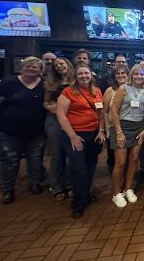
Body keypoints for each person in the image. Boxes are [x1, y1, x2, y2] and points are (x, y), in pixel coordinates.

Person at [57, 64, 106, 219]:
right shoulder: (68, 92)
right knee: (78, 169)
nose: (84, 76)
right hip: (75, 135)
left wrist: (101, 131)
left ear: (91, 75)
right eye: (80, 74)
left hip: (93, 133)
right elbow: (61, 115)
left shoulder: (96, 91)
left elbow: (101, 113)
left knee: (91, 165)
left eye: (86, 73)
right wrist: (72, 135)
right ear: (75, 76)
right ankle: (78, 204)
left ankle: (84, 194)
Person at [0, 57, 46, 204]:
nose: (31, 69)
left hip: (36, 130)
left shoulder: (44, 85)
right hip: (9, 130)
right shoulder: (7, 83)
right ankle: (8, 189)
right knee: (9, 161)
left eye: (35, 67)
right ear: (22, 67)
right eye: (28, 66)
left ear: (40, 70)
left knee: (35, 158)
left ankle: (35, 183)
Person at [110, 64, 144, 208]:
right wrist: (119, 131)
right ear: (132, 75)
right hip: (122, 126)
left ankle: (127, 189)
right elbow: (114, 110)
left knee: (133, 160)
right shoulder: (123, 89)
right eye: (136, 74)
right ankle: (116, 193)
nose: (139, 77)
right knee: (120, 162)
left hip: (138, 127)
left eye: (142, 74)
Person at [44, 57, 75, 200]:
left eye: (61, 64)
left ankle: (70, 184)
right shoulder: (52, 83)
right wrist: (52, 108)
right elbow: (46, 102)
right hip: (55, 121)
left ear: (67, 64)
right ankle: (57, 186)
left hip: (74, 119)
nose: (59, 67)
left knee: (72, 153)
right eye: (56, 65)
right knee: (57, 154)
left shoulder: (76, 81)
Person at [103, 65, 129, 174]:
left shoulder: (133, 89)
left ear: (128, 75)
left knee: (128, 158)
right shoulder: (110, 91)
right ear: (114, 76)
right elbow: (105, 111)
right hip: (113, 128)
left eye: (123, 73)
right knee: (115, 159)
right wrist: (106, 129)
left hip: (129, 128)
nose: (120, 75)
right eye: (118, 73)